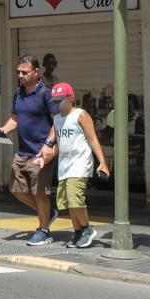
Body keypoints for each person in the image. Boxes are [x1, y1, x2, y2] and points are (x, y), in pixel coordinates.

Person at [0, 54, 58, 247]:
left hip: (40, 152)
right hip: (22, 151)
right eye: (18, 72)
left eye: (25, 72)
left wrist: (49, 143)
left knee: (40, 193)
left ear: (36, 72)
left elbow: (58, 121)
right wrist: (4, 129)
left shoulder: (45, 93)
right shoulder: (18, 94)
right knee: (16, 189)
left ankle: (44, 230)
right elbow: (15, 118)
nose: (21, 76)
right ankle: (48, 213)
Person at [48, 82, 108, 248]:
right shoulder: (57, 119)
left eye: (61, 99)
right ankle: (78, 232)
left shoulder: (80, 115)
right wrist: (47, 156)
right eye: (55, 100)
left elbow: (92, 138)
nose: (58, 103)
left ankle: (87, 228)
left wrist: (102, 162)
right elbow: (60, 143)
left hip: (79, 163)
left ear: (71, 98)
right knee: (67, 201)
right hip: (64, 166)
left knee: (75, 198)